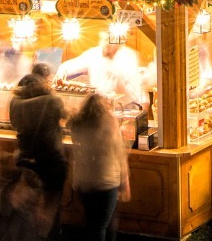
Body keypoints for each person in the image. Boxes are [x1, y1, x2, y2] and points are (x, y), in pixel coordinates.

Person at [8, 63, 67, 236]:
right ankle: (51, 234)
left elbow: (14, 124)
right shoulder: (52, 100)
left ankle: (29, 234)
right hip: (51, 160)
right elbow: (67, 117)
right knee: (51, 204)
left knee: (27, 205)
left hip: (26, 159)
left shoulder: (14, 102)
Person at [68, 92, 129, 241]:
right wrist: (125, 180)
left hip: (83, 180)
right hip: (105, 180)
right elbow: (120, 151)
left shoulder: (77, 123)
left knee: (96, 222)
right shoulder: (109, 121)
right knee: (100, 225)